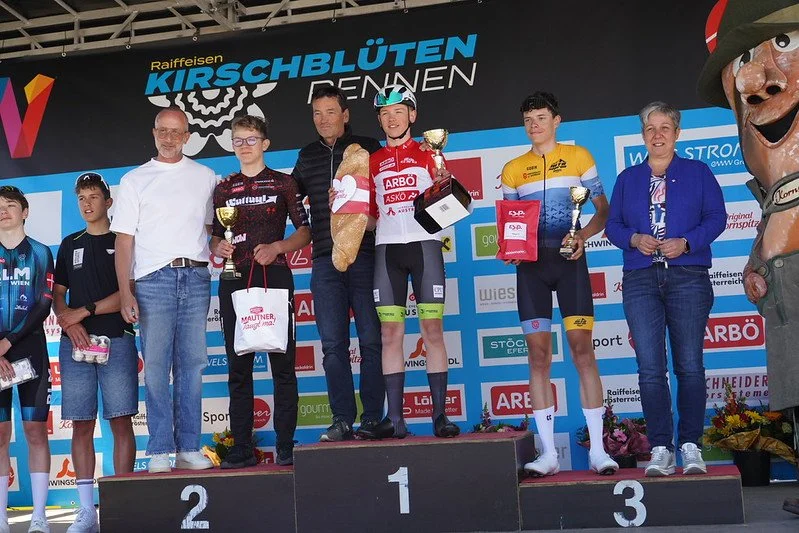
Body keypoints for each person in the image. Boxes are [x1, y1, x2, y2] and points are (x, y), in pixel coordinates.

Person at [696, 0, 799, 510]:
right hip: (785, 297)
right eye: (742, 62)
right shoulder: (776, 190)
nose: (756, 81)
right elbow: (779, 211)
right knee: (796, 387)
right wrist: (757, 261)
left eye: (784, 42)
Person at [500, 92, 618, 476]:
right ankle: (549, 454)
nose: (534, 125)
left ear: (556, 120)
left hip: (571, 264)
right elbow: (512, 224)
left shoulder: (579, 157)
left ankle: (598, 450)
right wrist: (512, 249)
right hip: (531, 270)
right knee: (538, 357)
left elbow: (603, 210)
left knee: (582, 351)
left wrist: (582, 236)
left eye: (540, 117)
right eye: (528, 120)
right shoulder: (513, 169)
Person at [606, 101, 726, 477]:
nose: (657, 135)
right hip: (641, 279)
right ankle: (661, 448)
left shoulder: (698, 172)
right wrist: (634, 238)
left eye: (664, 128)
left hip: (688, 276)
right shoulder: (627, 178)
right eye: (650, 129)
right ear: (643, 135)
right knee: (650, 369)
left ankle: (690, 445)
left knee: (689, 365)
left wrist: (687, 242)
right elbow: (613, 226)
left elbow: (717, 217)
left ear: (677, 133)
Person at [111, 107, 217, 473]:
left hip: (196, 277)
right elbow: (124, 241)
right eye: (163, 131)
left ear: (188, 136)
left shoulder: (205, 176)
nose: (169, 138)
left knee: (193, 365)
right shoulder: (134, 180)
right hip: (153, 281)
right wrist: (125, 292)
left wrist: (222, 246)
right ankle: (159, 449)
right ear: (154, 132)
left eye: (176, 132)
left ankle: (188, 447)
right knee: (156, 367)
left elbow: (211, 231)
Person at [356, 84, 460, 440]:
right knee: (390, 334)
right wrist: (347, 206)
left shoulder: (430, 152)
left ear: (412, 115)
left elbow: (451, 203)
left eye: (399, 111)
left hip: (425, 247)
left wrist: (445, 181)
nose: (392, 118)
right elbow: (370, 218)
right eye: (385, 113)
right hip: (387, 250)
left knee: (432, 330)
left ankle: (440, 416)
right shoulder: (373, 162)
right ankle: (395, 419)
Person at [211, 115, 310, 467]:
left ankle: (285, 445)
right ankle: (242, 447)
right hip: (234, 278)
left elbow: (305, 231)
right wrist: (218, 247)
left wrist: (278, 247)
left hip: (275, 276)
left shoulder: (284, 183)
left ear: (265, 143)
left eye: (251, 139)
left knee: (282, 366)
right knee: (239, 367)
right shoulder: (224, 188)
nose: (244, 146)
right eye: (238, 140)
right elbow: (215, 236)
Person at [292, 86, 385, 442]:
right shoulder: (306, 155)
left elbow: (388, 195)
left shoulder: (368, 147)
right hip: (324, 259)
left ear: (345, 115)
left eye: (330, 111)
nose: (323, 119)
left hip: (365, 255)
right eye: (317, 113)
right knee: (332, 345)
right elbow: (290, 196)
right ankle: (342, 419)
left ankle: (373, 418)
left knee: (371, 340)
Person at [54, 173, 137, 532]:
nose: (87, 204)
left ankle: (122, 505)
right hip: (76, 343)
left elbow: (128, 292)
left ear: (109, 201)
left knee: (120, 420)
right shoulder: (68, 243)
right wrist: (67, 321)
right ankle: (87, 510)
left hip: (116, 338)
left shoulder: (124, 240)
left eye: (93, 197)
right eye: (81, 198)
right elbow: (58, 294)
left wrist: (83, 312)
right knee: (82, 423)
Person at [0, 186, 53, 533]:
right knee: (0, 434)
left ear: (25, 211)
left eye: (9, 205)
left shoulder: (40, 252)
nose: (3, 211)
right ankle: (1, 519)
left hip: (29, 350)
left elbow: (44, 303)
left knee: (35, 431)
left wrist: (8, 341)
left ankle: (39, 516)